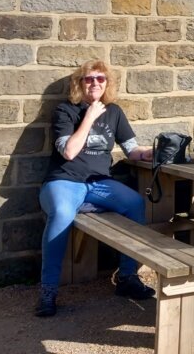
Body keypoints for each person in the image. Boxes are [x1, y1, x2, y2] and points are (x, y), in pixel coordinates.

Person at [35, 60, 156, 317]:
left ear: (107, 83)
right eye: (89, 79)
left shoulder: (114, 112)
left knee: (135, 204)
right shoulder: (65, 111)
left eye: (101, 79)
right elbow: (68, 152)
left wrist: (154, 152)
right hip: (63, 181)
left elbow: (131, 150)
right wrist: (89, 117)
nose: (95, 83)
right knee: (62, 213)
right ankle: (48, 290)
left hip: (98, 183)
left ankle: (127, 278)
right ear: (79, 83)